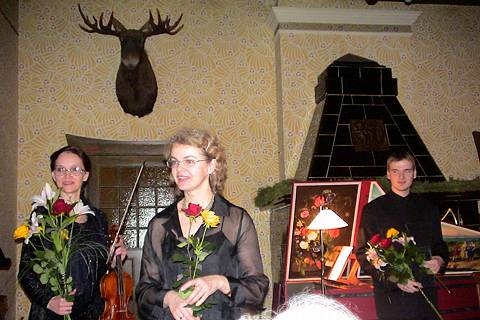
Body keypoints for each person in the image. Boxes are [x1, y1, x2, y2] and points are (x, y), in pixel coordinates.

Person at [136, 128, 269, 320]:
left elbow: (257, 289)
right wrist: (170, 298)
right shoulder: (159, 224)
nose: (179, 169)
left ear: (211, 165)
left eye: (189, 161)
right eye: (174, 162)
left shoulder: (235, 219)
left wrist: (219, 282)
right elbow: (143, 293)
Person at [19, 145, 127, 320]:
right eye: (60, 169)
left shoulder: (98, 218)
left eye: (75, 169)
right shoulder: (41, 216)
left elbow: (99, 269)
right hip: (51, 314)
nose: (67, 175)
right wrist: (49, 301)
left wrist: (113, 261)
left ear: (85, 175)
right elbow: (26, 270)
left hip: (92, 313)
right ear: (54, 175)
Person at [356, 150, 449, 320]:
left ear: (414, 174)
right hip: (392, 297)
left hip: (426, 292)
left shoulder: (429, 208)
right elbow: (364, 255)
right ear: (388, 174)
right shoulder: (373, 210)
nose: (401, 177)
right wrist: (397, 280)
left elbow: (439, 245)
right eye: (395, 171)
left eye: (407, 171)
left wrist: (439, 260)